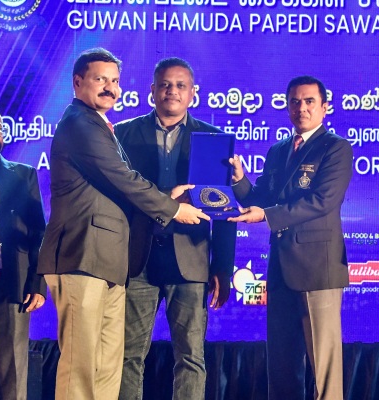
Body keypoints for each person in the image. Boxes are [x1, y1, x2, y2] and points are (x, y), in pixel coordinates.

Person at [37, 48, 210, 400]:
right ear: (77, 82)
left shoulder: (101, 126)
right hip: (82, 255)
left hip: (110, 263)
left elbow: (123, 185)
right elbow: (123, 179)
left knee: (107, 366)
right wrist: (172, 208)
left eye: (115, 81)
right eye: (100, 79)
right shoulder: (80, 124)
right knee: (81, 366)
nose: (110, 88)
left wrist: (166, 196)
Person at [115, 57, 236, 400]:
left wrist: (222, 267)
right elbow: (117, 195)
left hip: (191, 260)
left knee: (191, 357)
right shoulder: (123, 134)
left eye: (181, 85)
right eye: (165, 85)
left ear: (193, 93)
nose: (172, 91)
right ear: (152, 90)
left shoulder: (213, 140)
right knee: (128, 355)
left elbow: (222, 208)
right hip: (138, 258)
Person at [229, 75, 353, 400]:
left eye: (309, 101)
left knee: (324, 369)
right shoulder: (278, 150)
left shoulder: (335, 147)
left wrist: (267, 216)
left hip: (318, 267)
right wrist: (240, 181)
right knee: (282, 363)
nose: (302, 108)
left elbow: (323, 201)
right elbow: (261, 198)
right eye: (295, 102)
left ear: (325, 107)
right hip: (281, 269)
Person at [0, 105, 46, 400]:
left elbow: (39, 233)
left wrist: (37, 283)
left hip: (8, 287)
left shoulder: (23, 176)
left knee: (12, 379)